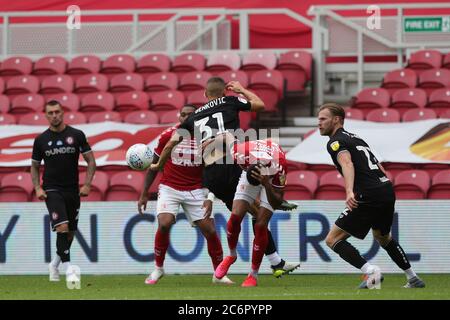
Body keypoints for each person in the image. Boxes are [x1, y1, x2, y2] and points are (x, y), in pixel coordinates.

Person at [151, 77, 299, 277]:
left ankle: (275, 259)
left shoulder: (193, 116)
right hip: (232, 165)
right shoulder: (229, 101)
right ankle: (273, 208)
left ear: (205, 94)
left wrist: (158, 164)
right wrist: (241, 90)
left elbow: (169, 145)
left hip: (212, 173)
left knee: (255, 212)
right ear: (224, 92)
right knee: (258, 211)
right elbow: (260, 105)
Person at [317, 103, 425, 289]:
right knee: (383, 237)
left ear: (336, 120)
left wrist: (350, 191)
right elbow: (378, 165)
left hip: (368, 193)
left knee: (332, 239)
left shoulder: (335, 141)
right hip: (385, 189)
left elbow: (347, 164)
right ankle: (413, 277)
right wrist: (382, 187)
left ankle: (371, 271)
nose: (318, 123)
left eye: (323, 119)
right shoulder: (356, 138)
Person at [138, 104, 233, 285]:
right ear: (179, 117)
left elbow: (215, 171)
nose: (186, 118)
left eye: (190, 115)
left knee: (211, 231)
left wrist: (210, 197)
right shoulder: (168, 136)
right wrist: (143, 193)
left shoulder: (206, 138)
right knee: (164, 223)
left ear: (197, 117)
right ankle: (158, 268)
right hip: (170, 188)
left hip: (196, 190)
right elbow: (154, 165)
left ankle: (219, 274)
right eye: (183, 115)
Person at [31, 100, 96, 284]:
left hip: (72, 190)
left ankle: (54, 264)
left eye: (57, 112)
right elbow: (34, 166)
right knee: (62, 227)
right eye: (50, 112)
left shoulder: (76, 135)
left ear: (63, 112)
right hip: (51, 190)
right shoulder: (41, 140)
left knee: (69, 233)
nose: (54, 115)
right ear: (46, 115)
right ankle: (69, 269)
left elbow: (91, 161)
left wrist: (87, 184)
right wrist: (37, 187)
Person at [212, 133, 290, 287]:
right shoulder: (239, 153)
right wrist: (211, 141)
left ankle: (253, 275)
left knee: (261, 224)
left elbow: (278, 201)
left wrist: (266, 184)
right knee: (235, 216)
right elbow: (226, 135)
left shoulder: (279, 167)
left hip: (270, 180)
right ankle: (232, 255)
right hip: (252, 167)